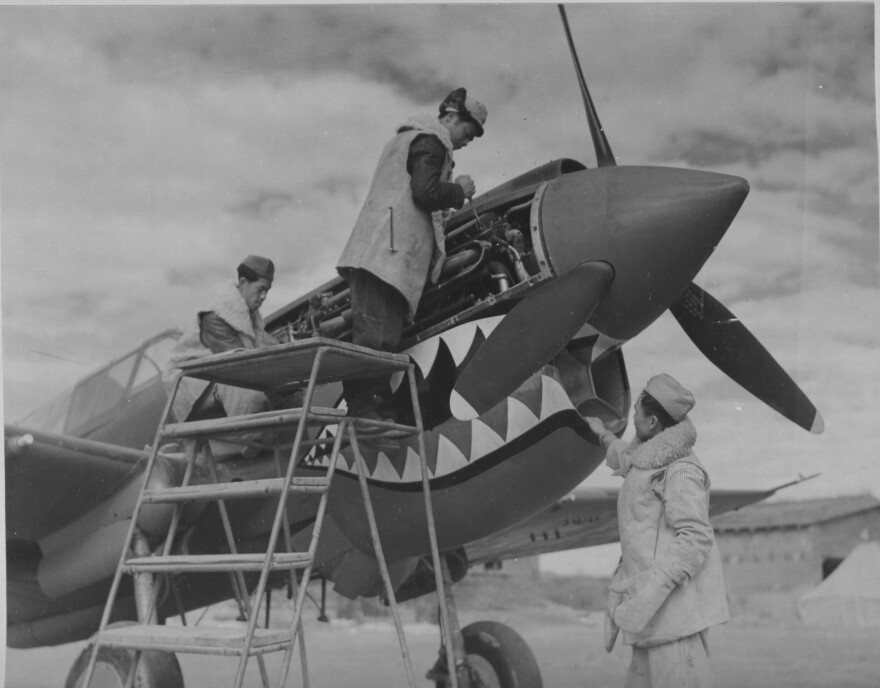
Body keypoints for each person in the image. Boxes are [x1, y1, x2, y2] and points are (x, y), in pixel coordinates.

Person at [336, 87, 487, 422]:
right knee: (376, 337)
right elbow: (426, 192)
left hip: (384, 254)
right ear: (450, 117)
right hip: (385, 255)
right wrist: (459, 190)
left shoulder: (410, 140)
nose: (468, 140)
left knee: (382, 337)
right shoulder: (429, 141)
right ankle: (362, 412)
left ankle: (373, 407)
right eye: (468, 131)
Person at [585, 374, 729, 688]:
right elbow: (628, 461)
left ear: (651, 423)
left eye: (635, 411)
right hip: (650, 621)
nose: (631, 416)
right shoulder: (649, 459)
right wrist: (604, 436)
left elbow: (695, 538)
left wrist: (651, 592)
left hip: (675, 621)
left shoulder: (681, 469)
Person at [164, 255, 280, 456]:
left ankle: (260, 439)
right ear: (243, 283)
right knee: (245, 390)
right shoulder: (215, 317)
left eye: (267, 291)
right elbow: (236, 363)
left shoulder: (249, 318)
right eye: (260, 289)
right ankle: (251, 442)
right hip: (189, 384)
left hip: (209, 377)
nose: (264, 297)